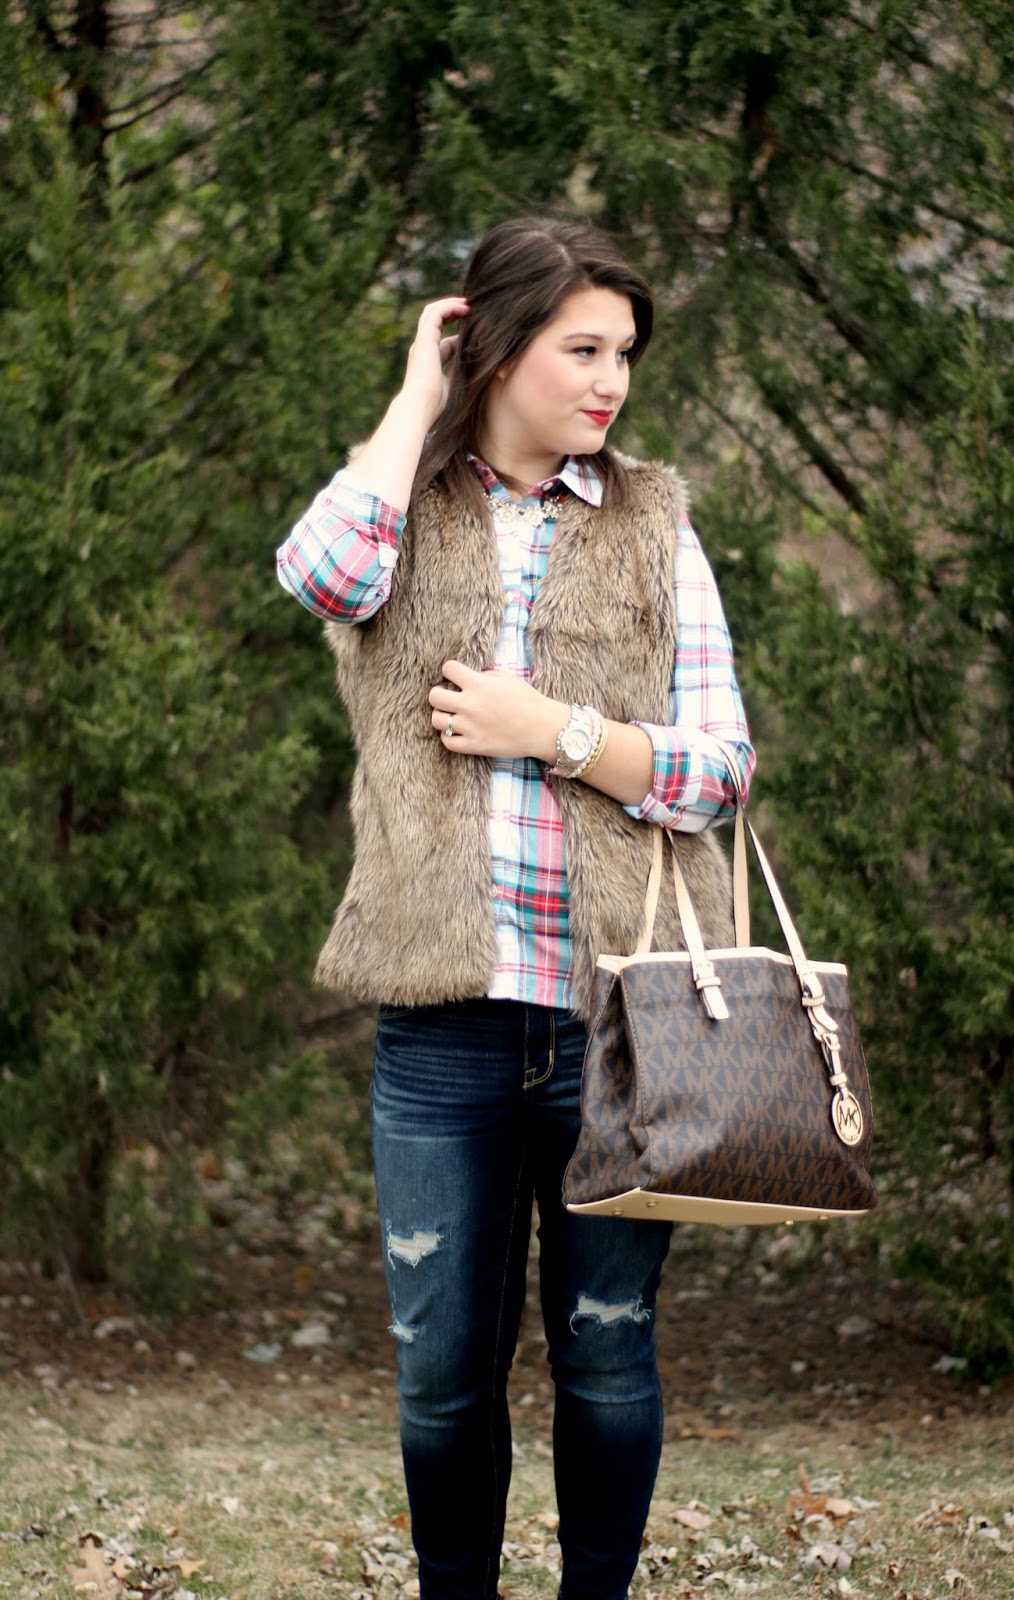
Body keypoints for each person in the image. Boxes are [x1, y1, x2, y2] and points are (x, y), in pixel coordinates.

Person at [276, 216, 755, 1600]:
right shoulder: (397, 509)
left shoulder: (655, 524)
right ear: (495, 348)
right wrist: (414, 394)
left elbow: (720, 769)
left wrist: (555, 733)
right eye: (581, 349)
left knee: (607, 1353)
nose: (611, 382)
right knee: (441, 1377)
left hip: (621, 1030)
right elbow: (319, 576)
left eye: (625, 354)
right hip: (442, 1035)